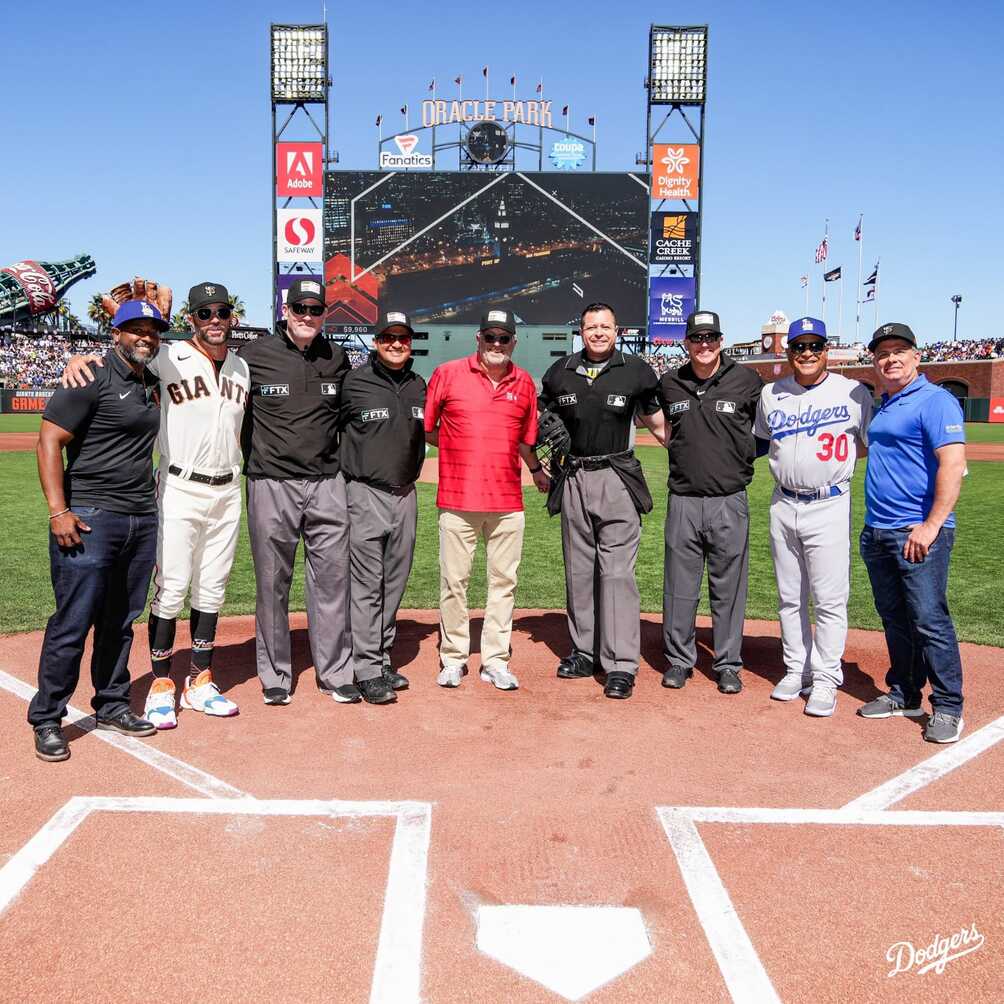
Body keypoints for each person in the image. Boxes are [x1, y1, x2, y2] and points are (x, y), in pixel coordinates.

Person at [62, 283, 251, 727]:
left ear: (232, 317)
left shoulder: (243, 367)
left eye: (222, 311)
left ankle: (200, 681)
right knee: (171, 588)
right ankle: (162, 683)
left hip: (228, 491)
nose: (215, 320)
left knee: (212, 588)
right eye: (205, 313)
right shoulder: (168, 358)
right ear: (192, 319)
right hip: (181, 486)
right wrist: (79, 357)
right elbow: (126, 354)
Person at [28, 301, 168, 761]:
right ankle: (48, 717)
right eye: (135, 329)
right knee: (73, 621)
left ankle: (111, 704)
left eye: (152, 330)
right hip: (90, 517)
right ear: (115, 332)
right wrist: (58, 511)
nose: (144, 336)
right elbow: (49, 440)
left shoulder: (151, 380)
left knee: (120, 621)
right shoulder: (89, 377)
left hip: (139, 518)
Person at [539, 302, 666, 699]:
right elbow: (536, 417)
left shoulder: (637, 371)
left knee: (616, 574)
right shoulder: (560, 372)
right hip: (573, 475)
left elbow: (661, 427)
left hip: (617, 476)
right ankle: (583, 651)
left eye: (605, 326)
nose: (598, 332)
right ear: (581, 330)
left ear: (617, 330)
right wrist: (535, 461)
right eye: (591, 326)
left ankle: (620, 663)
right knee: (579, 571)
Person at [238, 278, 353, 705]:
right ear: (286, 311)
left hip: (326, 484)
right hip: (271, 482)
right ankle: (275, 675)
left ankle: (336, 671)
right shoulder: (253, 356)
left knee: (332, 582)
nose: (307, 316)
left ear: (324, 315)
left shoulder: (337, 357)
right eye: (300, 308)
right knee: (272, 583)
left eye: (316, 309)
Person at [423, 308, 548, 691]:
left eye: (504, 338)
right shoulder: (447, 374)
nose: (497, 344)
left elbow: (527, 441)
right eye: (490, 337)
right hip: (458, 498)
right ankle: (454, 658)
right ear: (478, 338)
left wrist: (539, 470)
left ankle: (494, 660)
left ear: (514, 342)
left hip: (508, 500)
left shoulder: (524, 383)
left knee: (503, 583)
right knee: (454, 582)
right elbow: (429, 431)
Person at [754, 317, 872, 717]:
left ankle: (825, 678)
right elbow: (766, 441)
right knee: (789, 597)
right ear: (788, 352)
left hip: (830, 503)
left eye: (815, 346)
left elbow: (868, 445)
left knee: (828, 599)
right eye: (799, 347)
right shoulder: (771, 393)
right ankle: (795, 669)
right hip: (783, 503)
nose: (807, 353)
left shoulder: (854, 392)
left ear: (827, 350)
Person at [857, 323, 967, 742]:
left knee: (929, 618)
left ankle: (949, 706)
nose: (891, 359)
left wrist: (932, 525)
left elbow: (952, 465)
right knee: (895, 619)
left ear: (917, 357)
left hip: (917, 532)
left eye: (899, 350)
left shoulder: (936, 401)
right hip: (879, 531)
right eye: (883, 353)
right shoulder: (885, 403)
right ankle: (904, 692)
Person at [657, 310, 764, 694]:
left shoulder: (746, 380)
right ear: (687, 342)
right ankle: (679, 660)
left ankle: (728, 663)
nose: (704, 345)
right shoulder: (670, 383)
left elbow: (765, 431)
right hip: (683, 499)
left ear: (721, 340)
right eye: (697, 338)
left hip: (729, 499)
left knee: (729, 588)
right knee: (679, 587)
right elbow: (664, 429)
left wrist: (741, 459)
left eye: (711, 338)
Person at [339, 309, 427, 704]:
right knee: (366, 585)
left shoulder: (417, 385)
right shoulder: (354, 382)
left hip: (406, 493)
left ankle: (382, 655)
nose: (396, 344)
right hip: (365, 492)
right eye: (389, 338)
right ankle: (366, 668)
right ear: (376, 342)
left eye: (403, 339)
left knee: (394, 583)